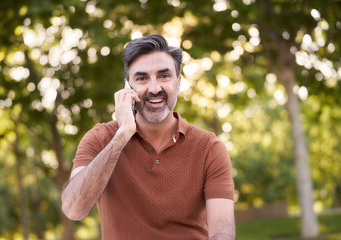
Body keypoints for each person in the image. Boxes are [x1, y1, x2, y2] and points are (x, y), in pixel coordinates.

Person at [61, 34, 235, 240]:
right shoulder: (100, 138)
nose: (154, 88)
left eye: (164, 76)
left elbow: (222, 233)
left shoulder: (209, 148)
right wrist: (122, 135)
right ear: (128, 87)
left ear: (178, 82)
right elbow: (74, 209)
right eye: (142, 78)